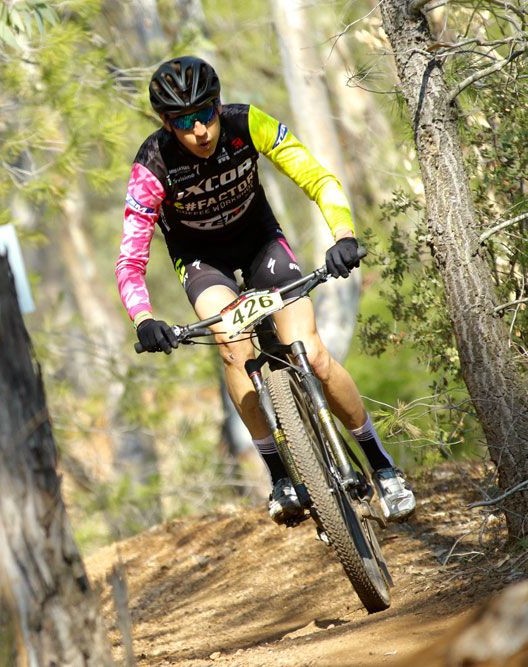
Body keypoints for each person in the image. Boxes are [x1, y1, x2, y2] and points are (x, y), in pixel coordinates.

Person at [115, 55, 415, 525]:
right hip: (202, 261)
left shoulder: (246, 123)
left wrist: (342, 236)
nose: (199, 130)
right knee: (232, 347)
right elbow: (130, 260)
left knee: (312, 354)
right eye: (183, 121)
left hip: (261, 244)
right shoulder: (151, 167)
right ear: (165, 123)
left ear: (219, 105)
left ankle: (383, 467)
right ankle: (280, 477)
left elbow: (316, 178)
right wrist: (145, 319)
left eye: (206, 113)